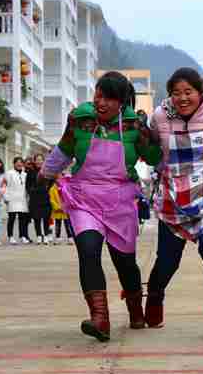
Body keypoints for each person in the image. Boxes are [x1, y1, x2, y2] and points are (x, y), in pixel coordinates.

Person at [40, 71, 162, 342]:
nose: (101, 102)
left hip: (120, 201)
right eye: (98, 94)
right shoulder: (80, 119)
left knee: (125, 263)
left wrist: (153, 132)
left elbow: (154, 157)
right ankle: (100, 319)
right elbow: (64, 149)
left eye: (109, 98)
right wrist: (45, 174)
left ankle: (135, 310)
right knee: (88, 250)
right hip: (85, 198)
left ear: (122, 102)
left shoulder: (133, 125)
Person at [145, 67, 203, 340]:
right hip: (173, 197)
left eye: (188, 92)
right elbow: (152, 151)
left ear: (201, 91)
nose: (182, 98)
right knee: (168, 261)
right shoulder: (159, 116)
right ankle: (155, 295)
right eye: (176, 93)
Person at [26, 153, 52, 244]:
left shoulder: (47, 170)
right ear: (34, 161)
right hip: (35, 198)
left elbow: (52, 181)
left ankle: (45, 235)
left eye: (40, 159)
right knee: (36, 218)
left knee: (46, 217)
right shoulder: (31, 171)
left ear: (43, 161)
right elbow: (27, 185)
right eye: (37, 159)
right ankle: (38, 235)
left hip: (45, 196)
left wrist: (47, 189)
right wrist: (31, 191)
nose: (39, 161)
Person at [5, 157, 30, 244]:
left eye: (21, 162)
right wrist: (6, 197)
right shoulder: (9, 173)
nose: (19, 164)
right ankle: (10, 236)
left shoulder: (25, 174)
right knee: (11, 218)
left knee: (22, 219)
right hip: (12, 199)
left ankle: (22, 236)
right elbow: (5, 185)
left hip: (22, 199)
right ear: (14, 163)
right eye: (17, 162)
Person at [50, 180, 73, 245]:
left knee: (67, 225)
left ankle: (70, 238)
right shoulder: (52, 189)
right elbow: (51, 200)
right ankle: (58, 238)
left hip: (65, 210)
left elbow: (68, 198)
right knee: (58, 225)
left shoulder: (66, 188)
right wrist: (57, 207)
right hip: (57, 211)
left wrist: (65, 206)